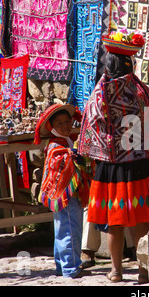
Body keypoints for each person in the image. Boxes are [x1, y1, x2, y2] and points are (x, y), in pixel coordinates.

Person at [78, 30, 149, 283]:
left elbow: (92, 122)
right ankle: (144, 271)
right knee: (142, 218)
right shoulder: (139, 90)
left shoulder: (98, 94)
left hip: (110, 166)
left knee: (114, 221)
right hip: (137, 164)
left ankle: (116, 271)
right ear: (129, 64)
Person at [34, 103, 92, 278]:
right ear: (52, 127)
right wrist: (73, 156)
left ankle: (62, 265)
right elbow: (60, 164)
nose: (66, 126)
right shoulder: (55, 146)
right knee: (70, 230)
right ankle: (70, 267)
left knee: (63, 230)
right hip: (65, 195)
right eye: (60, 124)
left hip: (65, 195)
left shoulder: (65, 141)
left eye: (68, 122)